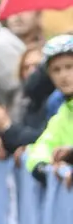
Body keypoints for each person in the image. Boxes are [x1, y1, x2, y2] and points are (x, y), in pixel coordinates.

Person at [26, 35, 73, 188]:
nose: (63, 75)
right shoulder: (63, 112)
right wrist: (42, 167)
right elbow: (43, 145)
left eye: (69, 67)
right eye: (56, 70)